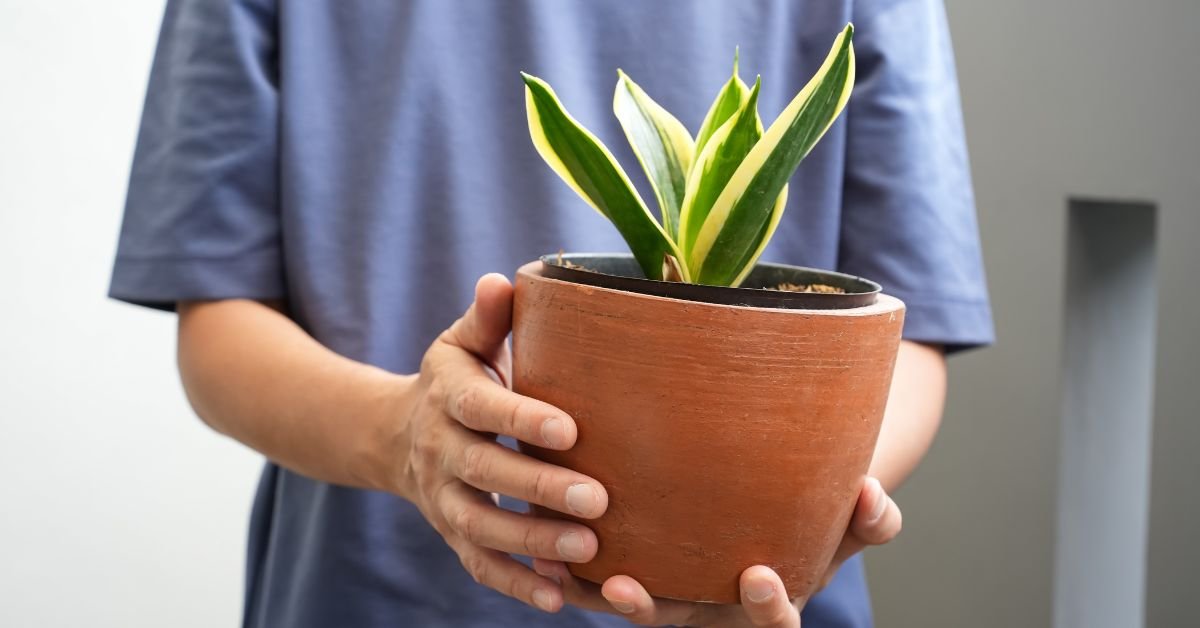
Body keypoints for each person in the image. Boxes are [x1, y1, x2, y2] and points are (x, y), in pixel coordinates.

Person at [110, 1, 992, 626]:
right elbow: (218, 319)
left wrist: (791, 522)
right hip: (373, 597)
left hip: (756, 611)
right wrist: (409, 438)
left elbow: (907, 332)